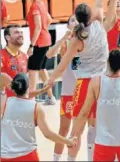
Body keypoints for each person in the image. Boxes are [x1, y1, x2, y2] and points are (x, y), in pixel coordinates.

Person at [47, 0, 115, 161]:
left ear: (77, 20)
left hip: (83, 84)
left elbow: (60, 66)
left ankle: (70, 159)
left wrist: (49, 81)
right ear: (92, 16)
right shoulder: (98, 27)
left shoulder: (76, 41)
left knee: (77, 128)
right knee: (94, 124)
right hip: (100, 81)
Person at [1, 73, 78, 162]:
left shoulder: (6, 103)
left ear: (14, 88)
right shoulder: (35, 108)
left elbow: (2, 78)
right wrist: (69, 142)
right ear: (28, 87)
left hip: (6, 157)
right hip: (28, 156)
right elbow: (48, 134)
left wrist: (42, 90)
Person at [46, 15, 78, 161]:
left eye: (78, 19)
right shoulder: (65, 43)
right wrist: (63, 39)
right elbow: (49, 54)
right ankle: (56, 159)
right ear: (68, 25)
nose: (75, 21)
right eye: (72, 20)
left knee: (80, 130)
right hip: (68, 92)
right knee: (64, 129)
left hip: (86, 91)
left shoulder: (88, 41)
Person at [1, 25, 49, 106]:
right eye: (16, 32)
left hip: (22, 105)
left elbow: (25, 88)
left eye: (21, 32)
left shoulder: (24, 56)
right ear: (7, 37)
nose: (20, 35)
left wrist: (42, 90)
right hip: (6, 110)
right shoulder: (1, 55)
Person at [26, 0, 55, 105]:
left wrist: (31, 45)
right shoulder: (42, 3)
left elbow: (37, 27)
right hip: (46, 40)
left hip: (39, 42)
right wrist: (44, 30)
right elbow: (49, 19)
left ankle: (31, 100)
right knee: (42, 69)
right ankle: (51, 97)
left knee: (33, 70)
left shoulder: (34, 7)